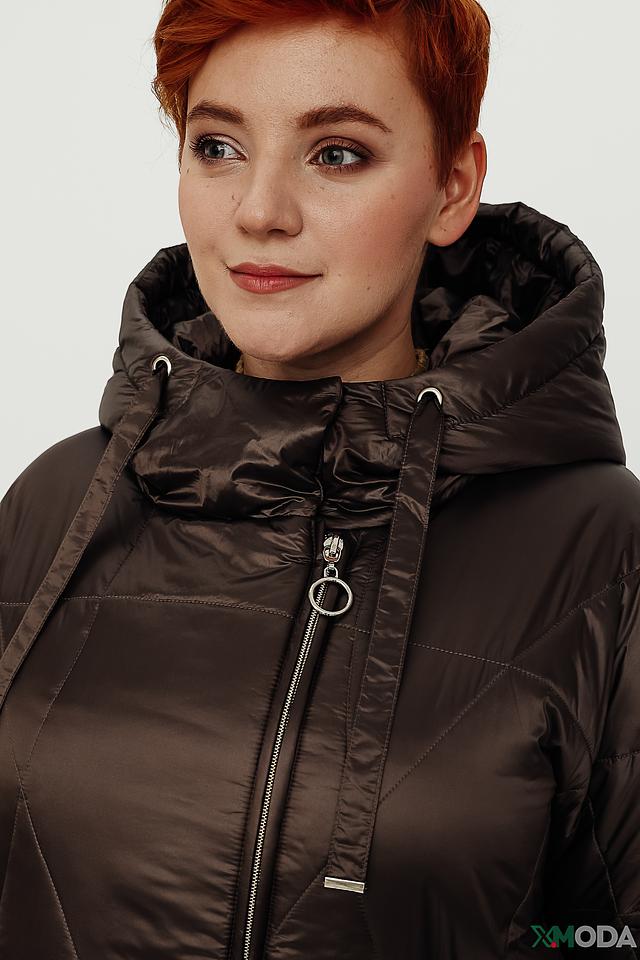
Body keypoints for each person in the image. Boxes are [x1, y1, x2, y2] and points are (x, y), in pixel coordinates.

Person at [0, 0, 638, 957]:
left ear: (453, 185)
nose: (260, 211)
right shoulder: (58, 505)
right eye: (218, 146)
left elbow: (605, 932)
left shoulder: (600, 553)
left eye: (337, 154)